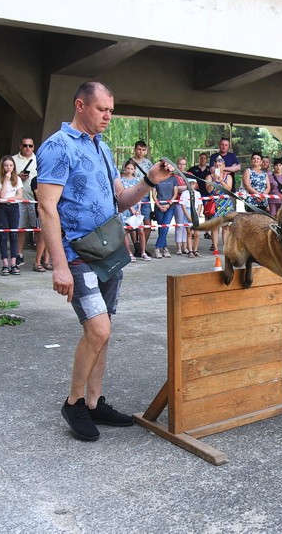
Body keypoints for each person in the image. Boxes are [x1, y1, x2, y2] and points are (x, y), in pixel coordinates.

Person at [36, 80, 174, 442]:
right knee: (98, 329)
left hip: (108, 250)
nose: (108, 116)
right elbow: (47, 208)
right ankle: (74, 402)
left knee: (104, 330)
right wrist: (59, 265)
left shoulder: (103, 147)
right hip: (77, 254)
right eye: (102, 109)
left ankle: (95, 402)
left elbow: (122, 199)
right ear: (80, 105)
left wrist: (150, 181)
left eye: (111, 110)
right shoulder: (57, 146)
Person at [0, 156, 24, 275]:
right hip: (2, 208)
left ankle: (13, 263)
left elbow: (20, 196)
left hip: (14, 207)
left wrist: (9, 198)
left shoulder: (18, 179)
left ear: (14, 166)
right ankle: (5, 263)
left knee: (14, 235)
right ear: (2, 166)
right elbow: (1, 195)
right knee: (3, 235)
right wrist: (5, 180)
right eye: (6, 165)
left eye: (10, 165)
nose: (8, 168)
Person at [13, 136, 38, 266]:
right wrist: (18, 177)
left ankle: (39, 258)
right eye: (25, 145)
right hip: (19, 199)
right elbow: (4, 177)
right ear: (20, 146)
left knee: (37, 229)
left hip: (35, 199)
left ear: (33, 147)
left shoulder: (39, 159)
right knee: (20, 228)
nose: (27, 148)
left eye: (30, 146)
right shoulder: (13, 159)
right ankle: (19, 254)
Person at [206, 155, 234, 251]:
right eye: (216, 165)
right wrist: (214, 180)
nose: (218, 167)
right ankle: (215, 248)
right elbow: (209, 190)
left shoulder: (228, 176)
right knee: (215, 227)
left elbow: (228, 189)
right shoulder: (209, 176)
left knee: (226, 227)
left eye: (220, 165)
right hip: (215, 204)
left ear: (224, 166)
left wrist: (221, 180)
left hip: (225, 204)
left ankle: (225, 248)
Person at [131, 140, 154, 245]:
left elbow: (153, 179)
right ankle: (136, 246)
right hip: (132, 197)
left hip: (145, 197)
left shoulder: (148, 163)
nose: (141, 152)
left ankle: (142, 247)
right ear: (135, 149)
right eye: (139, 149)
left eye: (143, 150)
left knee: (147, 224)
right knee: (132, 224)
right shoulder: (129, 162)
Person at [118, 159, 141, 262]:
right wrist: (131, 207)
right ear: (125, 168)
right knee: (125, 231)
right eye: (128, 168)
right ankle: (129, 252)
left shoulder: (137, 181)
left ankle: (142, 251)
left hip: (136, 209)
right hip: (125, 208)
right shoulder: (121, 181)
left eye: (132, 169)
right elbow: (122, 195)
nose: (129, 170)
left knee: (140, 230)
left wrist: (138, 209)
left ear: (134, 170)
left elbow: (139, 195)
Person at [180, 179, 202, 257]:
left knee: (197, 234)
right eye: (190, 183)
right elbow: (183, 205)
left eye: (193, 184)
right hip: (188, 211)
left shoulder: (198, 194)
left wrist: (198, 214)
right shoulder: (184, 193)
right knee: (189, 233)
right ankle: (190, 251)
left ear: (195, 184)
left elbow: (200, 204)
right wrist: (188, 216)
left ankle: (195, 250)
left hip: (195, 211)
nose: (192, 185)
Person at [172, 156, 189, 256]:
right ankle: (178, 247)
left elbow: (193, 187)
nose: (181, 166)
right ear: (177, 164)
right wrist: (186, 187)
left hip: (187, 203)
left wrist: (181, 188)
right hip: (178, 202)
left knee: (186, 225)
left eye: (183, 164)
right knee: (179, 225)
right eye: (180, 164)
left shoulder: (189, 174)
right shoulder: (173, 176)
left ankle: (185, 247)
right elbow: (174, 189)